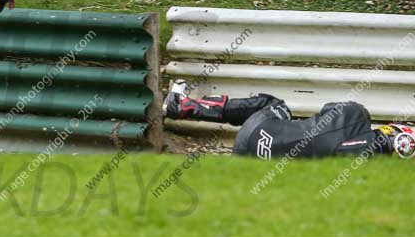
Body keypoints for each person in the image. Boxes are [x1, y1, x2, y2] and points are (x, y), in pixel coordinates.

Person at [162, 80, 415, 159]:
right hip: (252, 161)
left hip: (257, 133)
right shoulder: (350, 159)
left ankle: (181, 105)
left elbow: (329, 108)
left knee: (274, 105)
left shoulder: (355, 113)